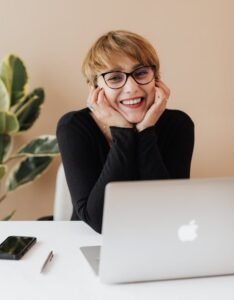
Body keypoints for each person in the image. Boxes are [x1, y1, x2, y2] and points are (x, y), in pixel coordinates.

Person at [57, 30, 194, 233]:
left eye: (140, 73)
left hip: (155, 239)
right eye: (114, 78)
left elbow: (169, 212)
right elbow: (99, 221)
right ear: (94, 87)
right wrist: (122, 131)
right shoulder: (74, 127)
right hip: (90, 242)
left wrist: (146, 131)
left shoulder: (179, 125)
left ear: (156, 78)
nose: (131, 88)